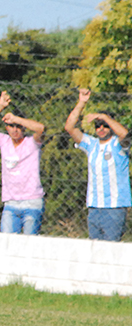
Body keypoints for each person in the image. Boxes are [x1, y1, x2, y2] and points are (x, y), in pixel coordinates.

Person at [64, 88, 131, 241]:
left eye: (104, 125)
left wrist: (104, 117)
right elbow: (69, 127)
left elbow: (125, 134)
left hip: (114, 208)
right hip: (94, 207)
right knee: (95, 250)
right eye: (97, 125)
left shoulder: (118, 144)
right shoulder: (91, 144)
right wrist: (81, 102)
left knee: (110, 250)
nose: (101, 128)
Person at [0, 91, 46, 235]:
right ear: (6, 127)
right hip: (10, 203)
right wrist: (1, 106)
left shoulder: (32, 143)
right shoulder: (4, 141)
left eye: (18, 126)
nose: (15, 130)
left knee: (29, 244)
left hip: (32, 201)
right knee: (7, 243)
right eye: (11, 126)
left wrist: (16, 118)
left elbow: (40, 128)